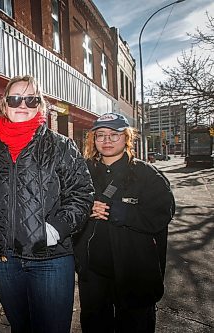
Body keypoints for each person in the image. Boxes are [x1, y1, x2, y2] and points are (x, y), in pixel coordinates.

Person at [0, 75, 94, 333]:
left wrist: (54, 230)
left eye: (31, 99)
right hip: (2, 259)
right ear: (4, 105)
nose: (23, 104)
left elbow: (82, 193)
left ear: (40, 105)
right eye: (15, 98)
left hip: (50, 258)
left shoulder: (61, 145)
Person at [74, 113, 175, 332]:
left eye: (114, 134)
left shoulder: (147, 174)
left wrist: (119, 211)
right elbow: (65, 206)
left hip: (135, 273)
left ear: (127, 138)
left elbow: (162, 213)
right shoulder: (82, 171)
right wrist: (84, 210)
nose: (107, 140)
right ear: (93, 139)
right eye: (100, 135)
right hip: (93, 274)